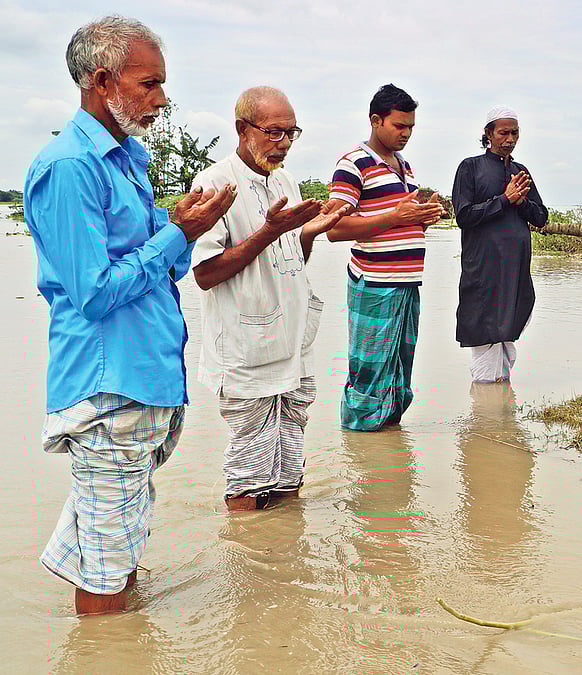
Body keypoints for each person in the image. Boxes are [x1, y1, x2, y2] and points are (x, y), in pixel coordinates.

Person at [25, 15, 235, 614]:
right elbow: (94, 293)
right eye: (149, 84)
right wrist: (178, 233)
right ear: (101, 81)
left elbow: (159, 268)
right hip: (108, 383)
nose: (162, 99)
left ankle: (117, 645)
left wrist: (180, 231)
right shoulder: (70, 166)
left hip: (141, 377)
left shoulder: (126, 158)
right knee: (108, 568)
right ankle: (103, 647)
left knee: (117, 544)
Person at [192, 87, 350, 511]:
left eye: (291, 133)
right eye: (274, 132)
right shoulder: (213, 183)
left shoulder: (285, 181)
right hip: (247, 350)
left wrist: (308, 233)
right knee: (248, 476)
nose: (284, 143)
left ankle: (284, 542)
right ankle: (247, 546)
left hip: (292, 345)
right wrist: (269, 231)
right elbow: (205, 274)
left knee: (289, 467)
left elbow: (291, 259)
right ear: (242, 129)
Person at [326, 84, 445, 431]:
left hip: (407, 285)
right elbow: (334, 228)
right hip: (375, 286)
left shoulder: (404, 166)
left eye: (410, 127)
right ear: (376, 121)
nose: (406, 133)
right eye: (399, 126)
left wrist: (421, 219)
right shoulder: (353, 164)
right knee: (369, 374)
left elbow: (396, 224)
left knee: (398, 374)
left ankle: (388, 446)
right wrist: (396, 216)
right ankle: (358, 446)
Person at [451, 106, 548, 382]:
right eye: (504, 133)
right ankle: (486, 399)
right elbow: (464, 216)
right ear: (488, 134)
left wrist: (521, 202)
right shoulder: (470, 167)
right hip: (483, 267)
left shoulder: (520, 171)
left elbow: (541, 217)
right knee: (485, 328)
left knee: (509, 326)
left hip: (515, 268)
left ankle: (500, 398)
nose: (510, 139)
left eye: (515, 133)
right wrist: (504, 200)